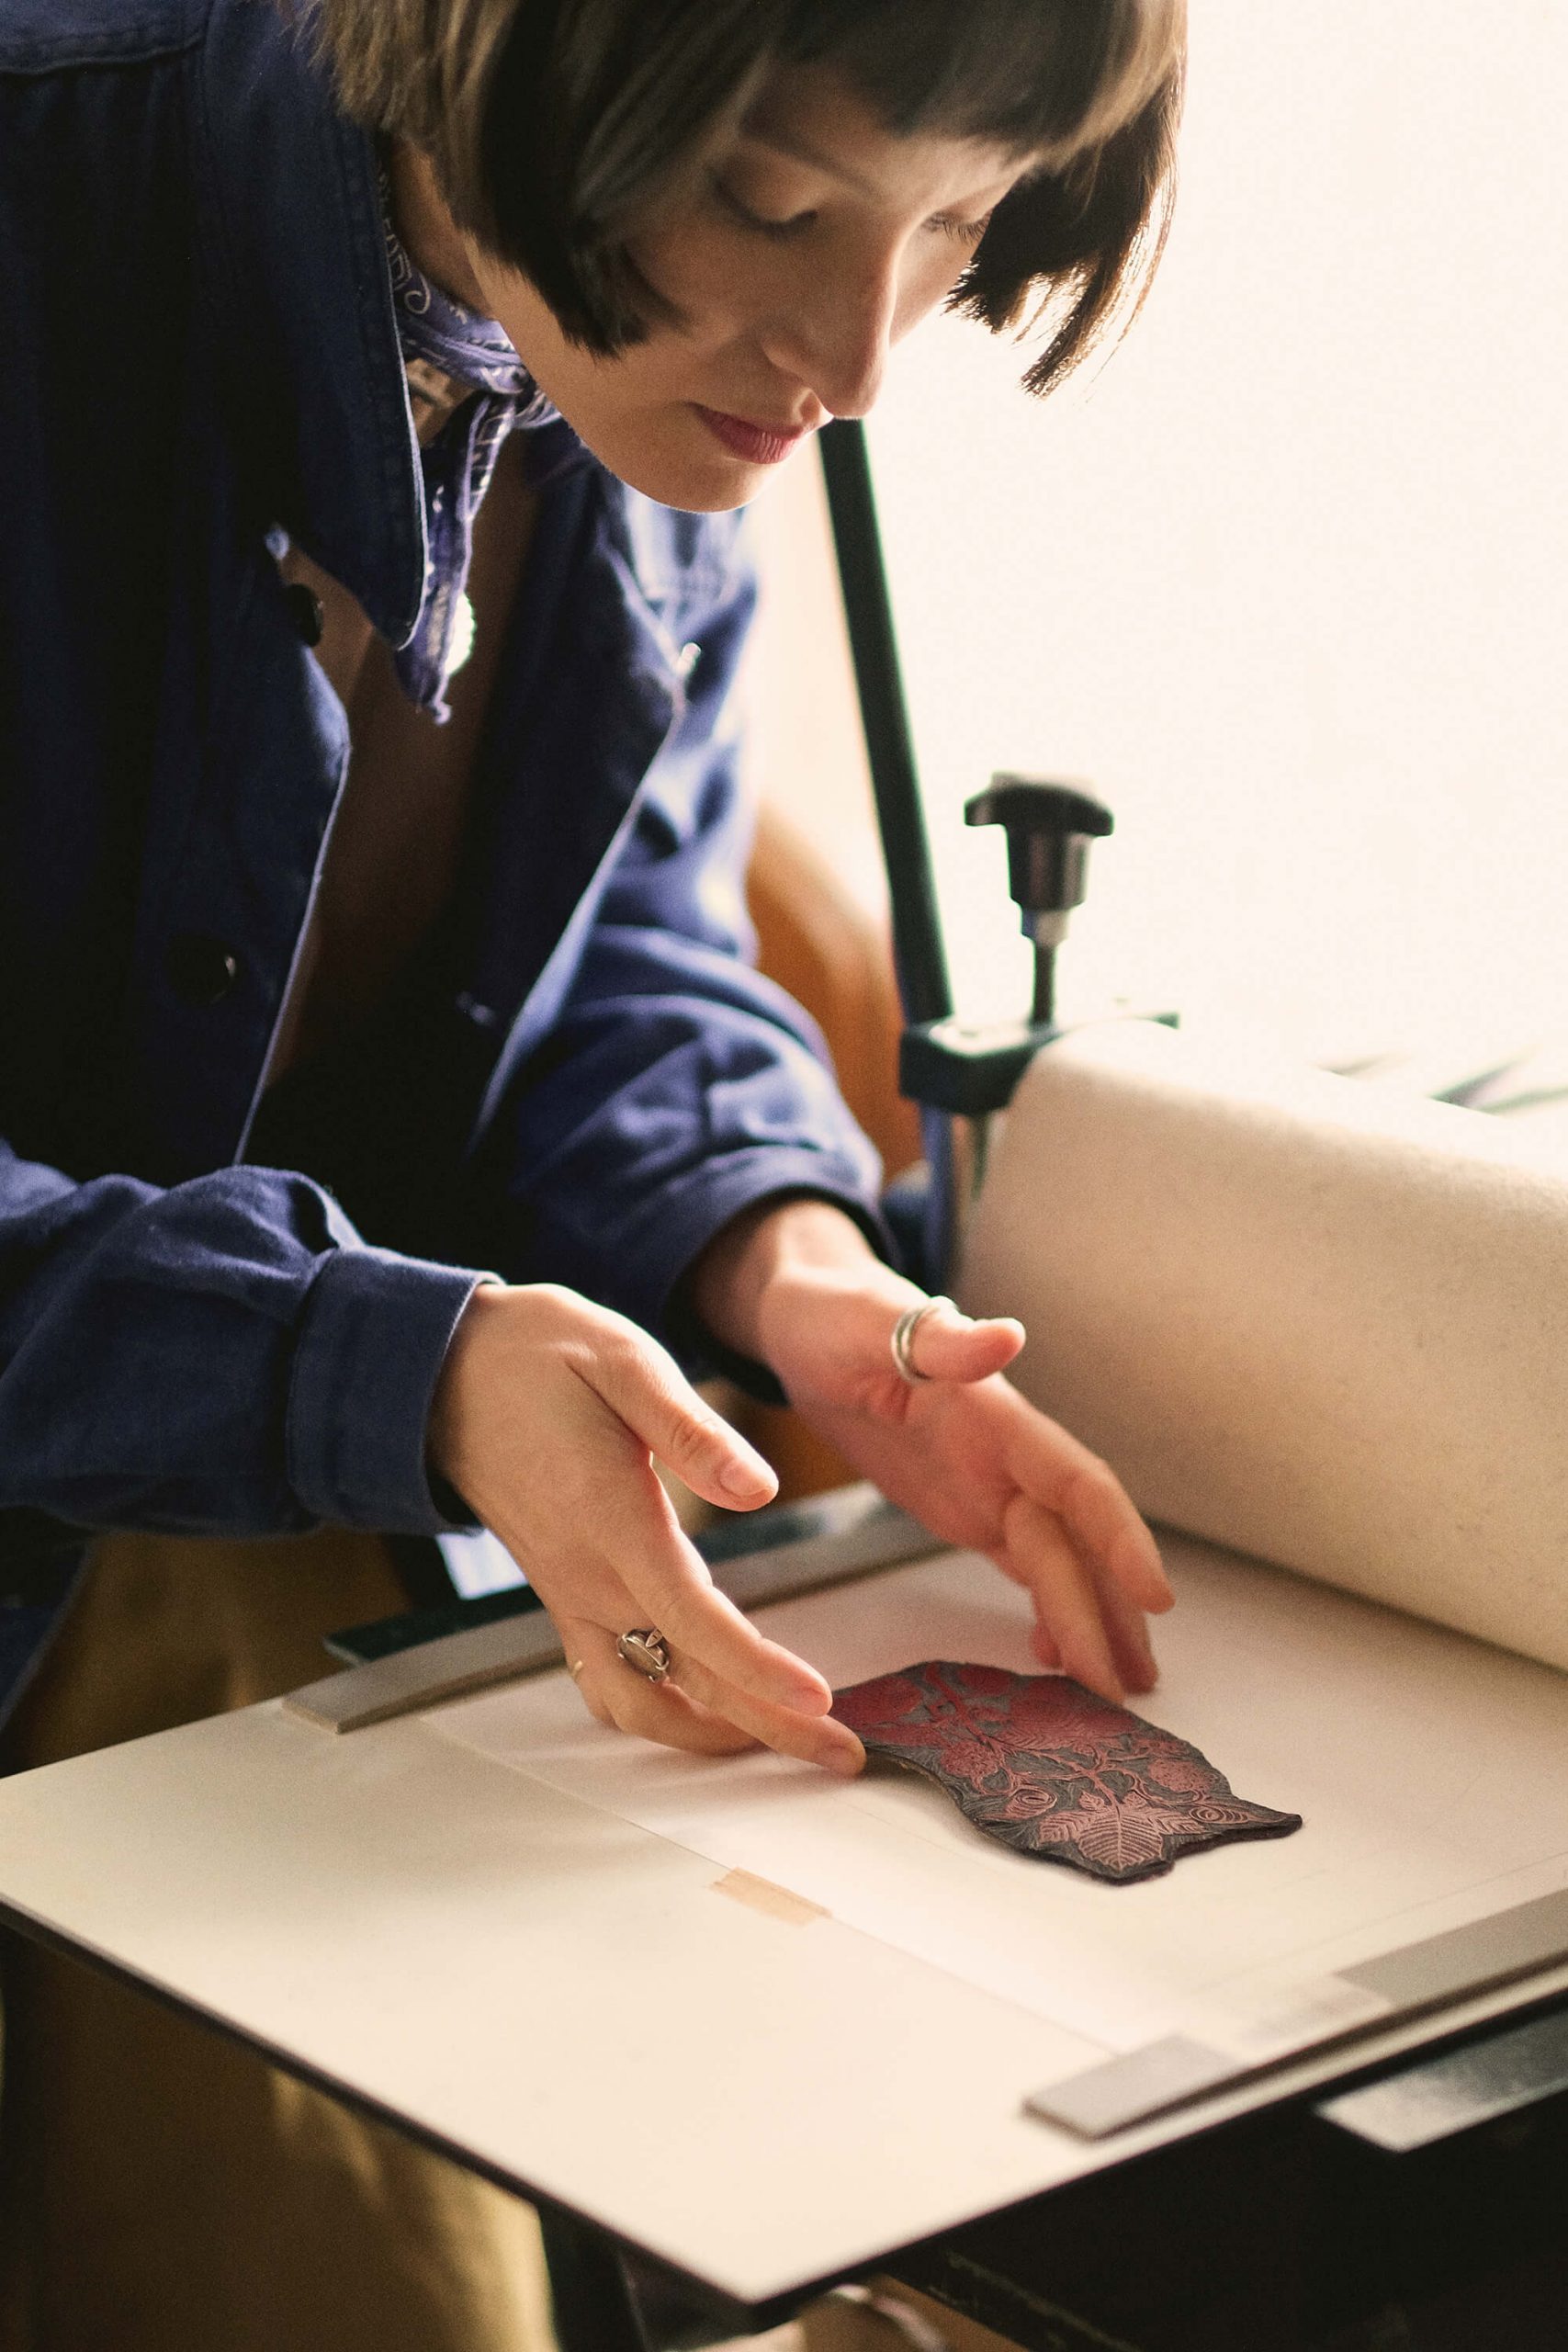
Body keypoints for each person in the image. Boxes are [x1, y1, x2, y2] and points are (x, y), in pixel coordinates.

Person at [0, 0, 1185, 2345]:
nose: (849, 353)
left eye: (951, 228)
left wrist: (785, 1254)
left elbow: (618, 933)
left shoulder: (635, 387)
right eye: (773, 203)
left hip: (230, 1519)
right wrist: (397, 1367)